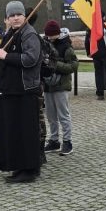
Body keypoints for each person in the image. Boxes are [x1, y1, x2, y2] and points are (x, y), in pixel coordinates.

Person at [0, 1, 44, 183]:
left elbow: (31, 58)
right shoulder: (13, 33)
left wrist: (6, 56)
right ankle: (19, 166)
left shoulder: (29, 34)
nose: (15, 18)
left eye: (18, 15)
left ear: (24, 16)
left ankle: (28, 170)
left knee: (26, 132)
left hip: (24, 91)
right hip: (12, 92)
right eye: (12, 15)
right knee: (15, 131)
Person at [41, 21, 78, 156]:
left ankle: (67, 141)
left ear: (57, 33)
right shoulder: (45, 44)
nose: (50, 38)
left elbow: (73, 66)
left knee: (63, 115)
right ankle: (54, 140)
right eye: (48, 35)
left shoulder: (66, 46)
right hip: (48, 85)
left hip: (61, 85)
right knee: (51, 115)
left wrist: (55, 65)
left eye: (52, 35)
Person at [84, 12, 106, 101]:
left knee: (98, 74)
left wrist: (88, 52)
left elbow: (87, 41)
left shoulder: (90, 27)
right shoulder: (105, 26)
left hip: (95, 53)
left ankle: (100, 94)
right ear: (103, 17)